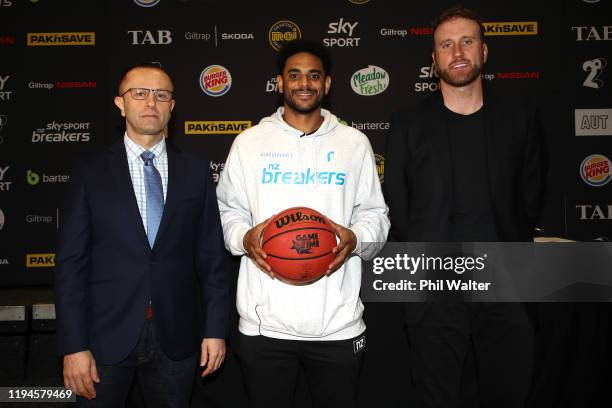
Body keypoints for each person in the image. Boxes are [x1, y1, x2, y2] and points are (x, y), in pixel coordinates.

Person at [384, 6, 544, 408]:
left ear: (484, 52)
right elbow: (399, 208)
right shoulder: (407, 123)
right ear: (434, 59)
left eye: (467, 41)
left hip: (506, 284)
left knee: (508, 394)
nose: (458, 52)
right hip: (435, 288)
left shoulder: (520, 117)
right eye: (446, 44)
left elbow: (532, 196)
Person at [216, 40, 389, 408]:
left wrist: (355, 237)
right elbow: (227, 210)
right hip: (265, 326)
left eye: (314, 76)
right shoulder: (249, 143)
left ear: (327, 84)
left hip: (338, 325)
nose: (304, 83)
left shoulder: (354, 143)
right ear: (279, 82)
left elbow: (376, 216)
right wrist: (243, 237)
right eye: (294, 75)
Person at [55, 63, 230, 407]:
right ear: (120, 104)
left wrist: (215, 330)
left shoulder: (195, 171)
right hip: (103, 338)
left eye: (161, 95)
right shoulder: (90, 171)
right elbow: (70, 265)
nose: (151, 102)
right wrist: (73, 345)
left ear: (172, 106)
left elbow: (212, 260)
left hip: (177, 338)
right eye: (140, 93)